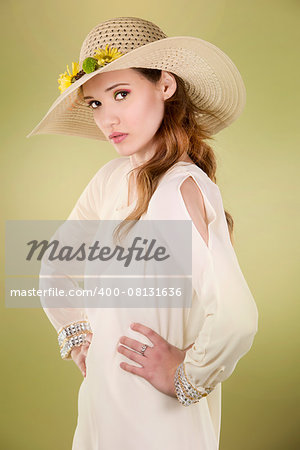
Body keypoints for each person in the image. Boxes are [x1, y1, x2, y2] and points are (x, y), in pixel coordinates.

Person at [27, 16, 259, 450]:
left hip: (155, 413)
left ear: (165, 85)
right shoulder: (111, 178)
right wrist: (78, 334)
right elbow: (54, 265)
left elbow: (236, 318)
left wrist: (186, 376)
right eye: (95, 103)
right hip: (101, 399)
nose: (107, 118)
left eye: (121, 94)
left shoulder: (182, 186)